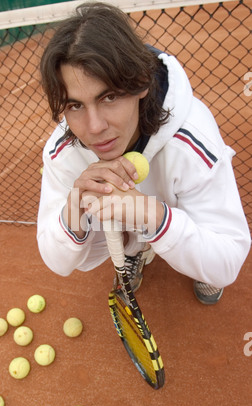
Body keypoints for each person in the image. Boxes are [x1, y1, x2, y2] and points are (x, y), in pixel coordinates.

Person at [37, 2, 250, 304]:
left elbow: (228, 262)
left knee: (210, 266)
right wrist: (75, 208)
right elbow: (56, 261)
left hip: (185, 215)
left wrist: (154, 216)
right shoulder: (63, 153)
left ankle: (182, 248)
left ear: (141, 84)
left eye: (109, 96)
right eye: (75, 105)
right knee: (104, 216)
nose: (94, 127)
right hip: (132, 226)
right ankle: (134, 248)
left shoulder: (193, 139)